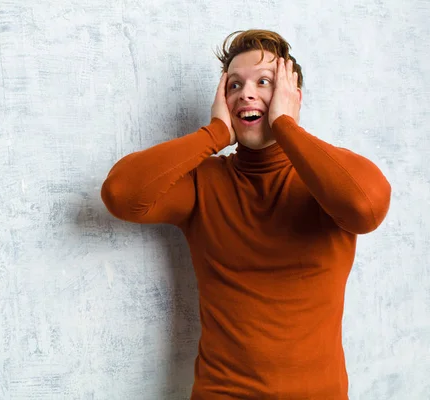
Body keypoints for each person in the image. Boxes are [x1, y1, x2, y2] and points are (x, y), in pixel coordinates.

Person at [100, 29, 391, 399]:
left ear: (292, 96)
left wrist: (286, 126)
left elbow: (367, 207)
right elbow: (121, 193)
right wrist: (215, 133)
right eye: (234, 85)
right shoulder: (203, 184)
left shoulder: (325, 181)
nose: (246, 93)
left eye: (264, 82)